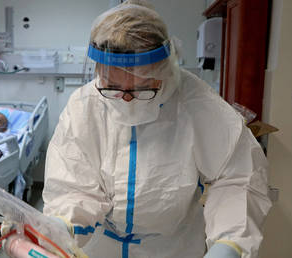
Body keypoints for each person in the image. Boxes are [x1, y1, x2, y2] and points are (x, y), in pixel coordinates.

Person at [42, 1, 272, 258]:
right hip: (100, 246)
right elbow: (72, 184)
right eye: (113, 88)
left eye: (140, 88)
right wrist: (62, 223)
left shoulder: (195, 103)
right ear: (99, 72)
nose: (126, 99)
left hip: (173, 248)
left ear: (164, 68)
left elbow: (238, 177)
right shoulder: (84, 106)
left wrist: (230, 244)